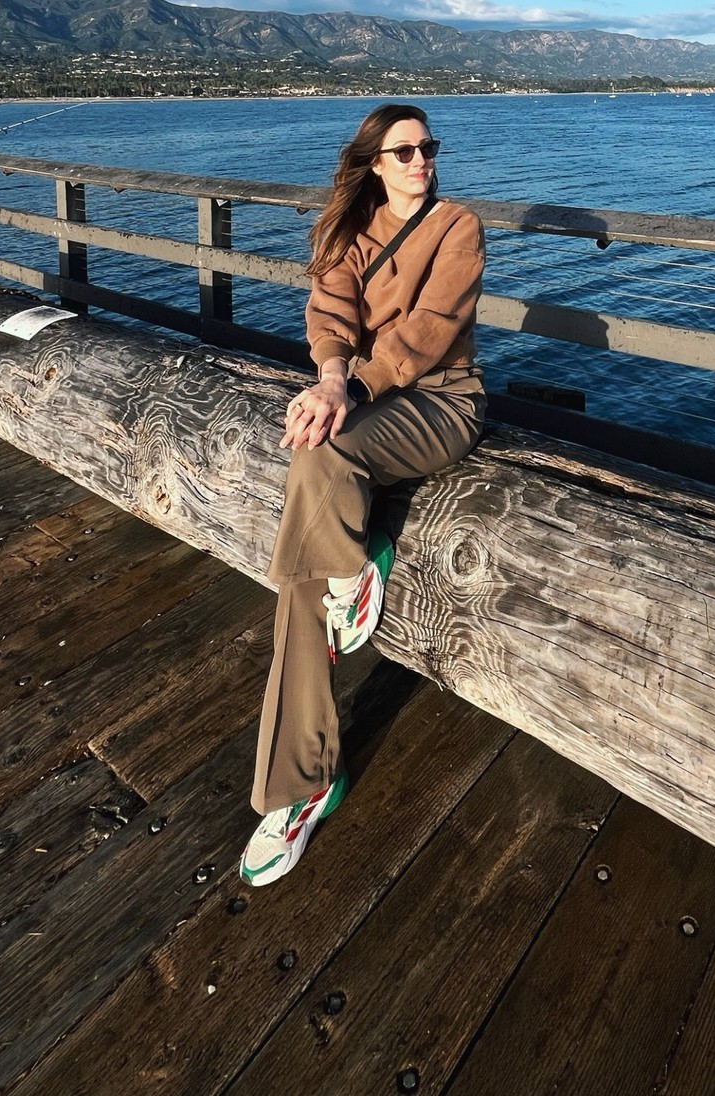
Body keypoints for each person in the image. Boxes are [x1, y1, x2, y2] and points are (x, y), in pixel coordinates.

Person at [240, 103, 486, 886]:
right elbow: (330, 312)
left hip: (442, 404)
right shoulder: (349, 232)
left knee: (320, 456)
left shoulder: (458, 227)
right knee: (301, 581)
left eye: (427, 148)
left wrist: (355, 389)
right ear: (374, 163)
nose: (420, 161)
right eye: (403, 151)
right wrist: (331, 379)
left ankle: (350, 570)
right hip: (366, 402)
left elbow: (430, 329)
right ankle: (300, 783)